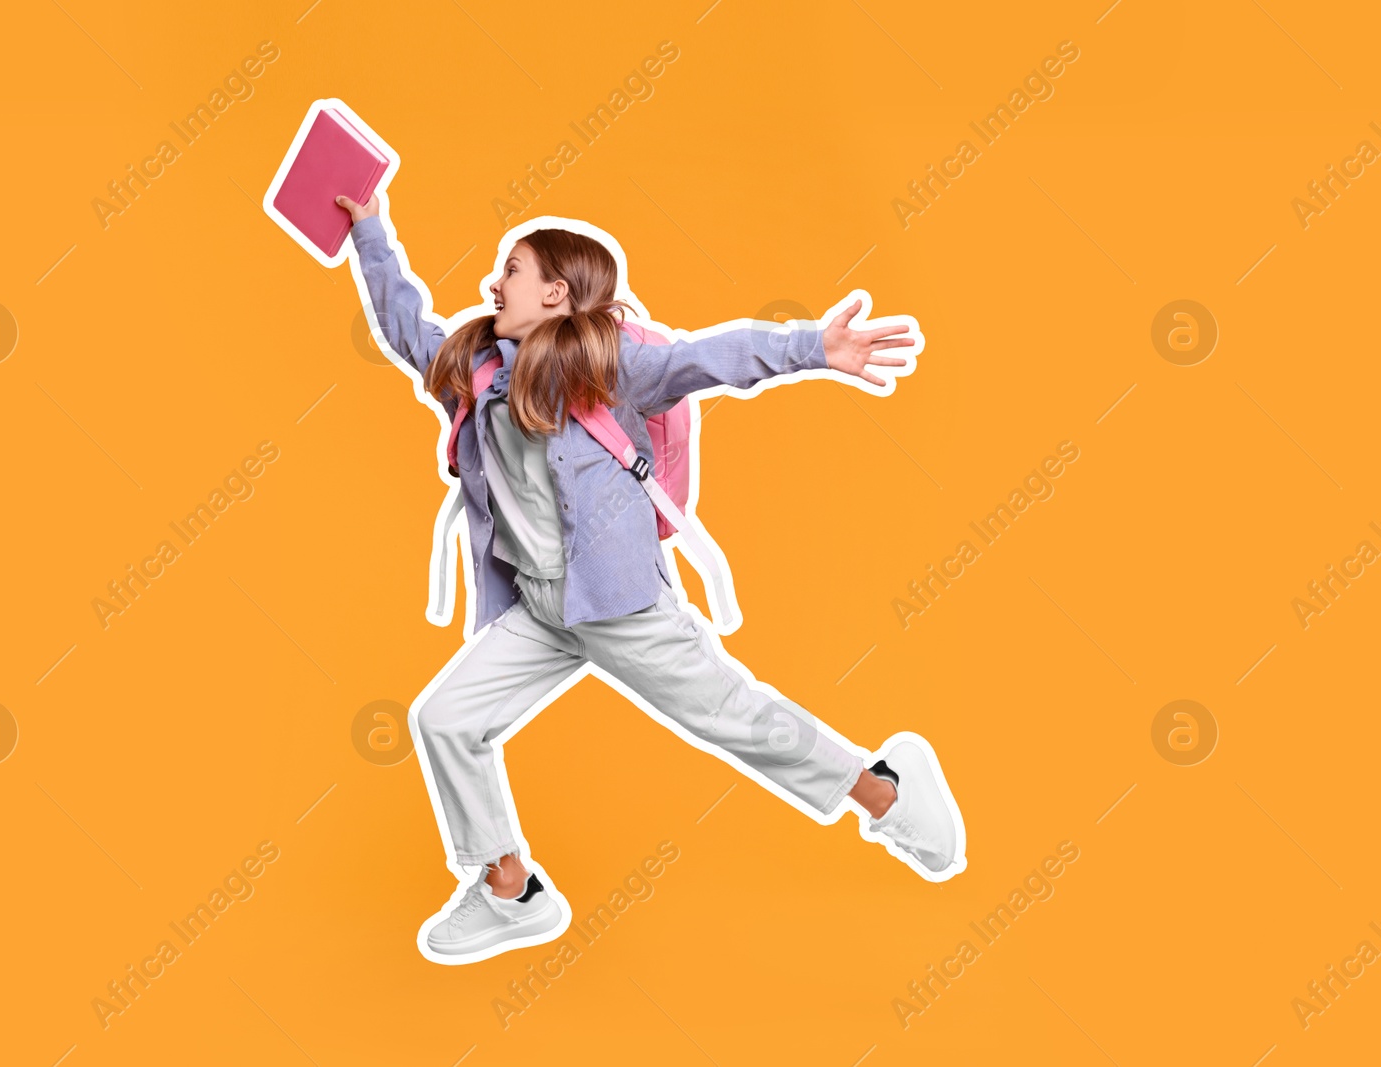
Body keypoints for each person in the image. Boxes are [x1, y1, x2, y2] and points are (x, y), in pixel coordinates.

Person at [336, 191, 966, 965]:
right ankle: (510, 889)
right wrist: (370, 230)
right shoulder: (475, 372)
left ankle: (890, 792)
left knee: (733, 716)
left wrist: (811, 348)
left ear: (556, 293)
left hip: (621, 604)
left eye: (512, 270)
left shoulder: (607, 364)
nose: (493, 284)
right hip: (540, 609)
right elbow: (407, 325)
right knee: (446, 720)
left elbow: (703, 357)